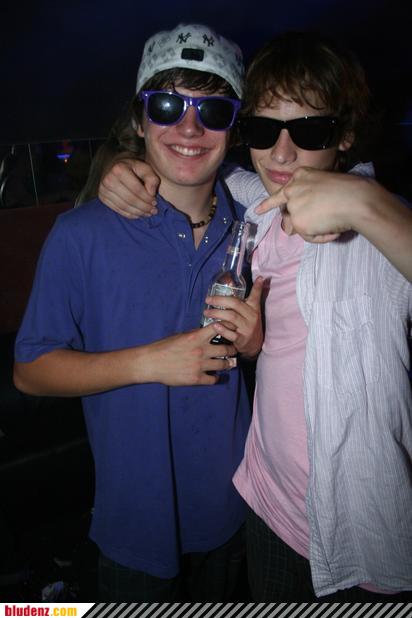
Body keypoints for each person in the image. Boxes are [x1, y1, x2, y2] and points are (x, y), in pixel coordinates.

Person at [94, 31, 412, 600]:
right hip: (269, 507)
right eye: (264, 131)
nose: (282, 154)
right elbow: (193, 169)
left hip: (363, 527)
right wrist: (123, 164)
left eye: (309, 131)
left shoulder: (380, 230)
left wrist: (365, 204)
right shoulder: (255, 206)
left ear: (345, 135)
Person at [13, 23, 265, 602]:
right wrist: (150, 362)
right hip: (135, 520)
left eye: (213, 111)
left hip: (236, 507)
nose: (190, 128)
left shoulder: (252, 229)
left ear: (233, 128)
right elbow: (30, 371)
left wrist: (257, 344)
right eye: (168, 105)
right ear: (138, 119)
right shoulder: (81, 235)